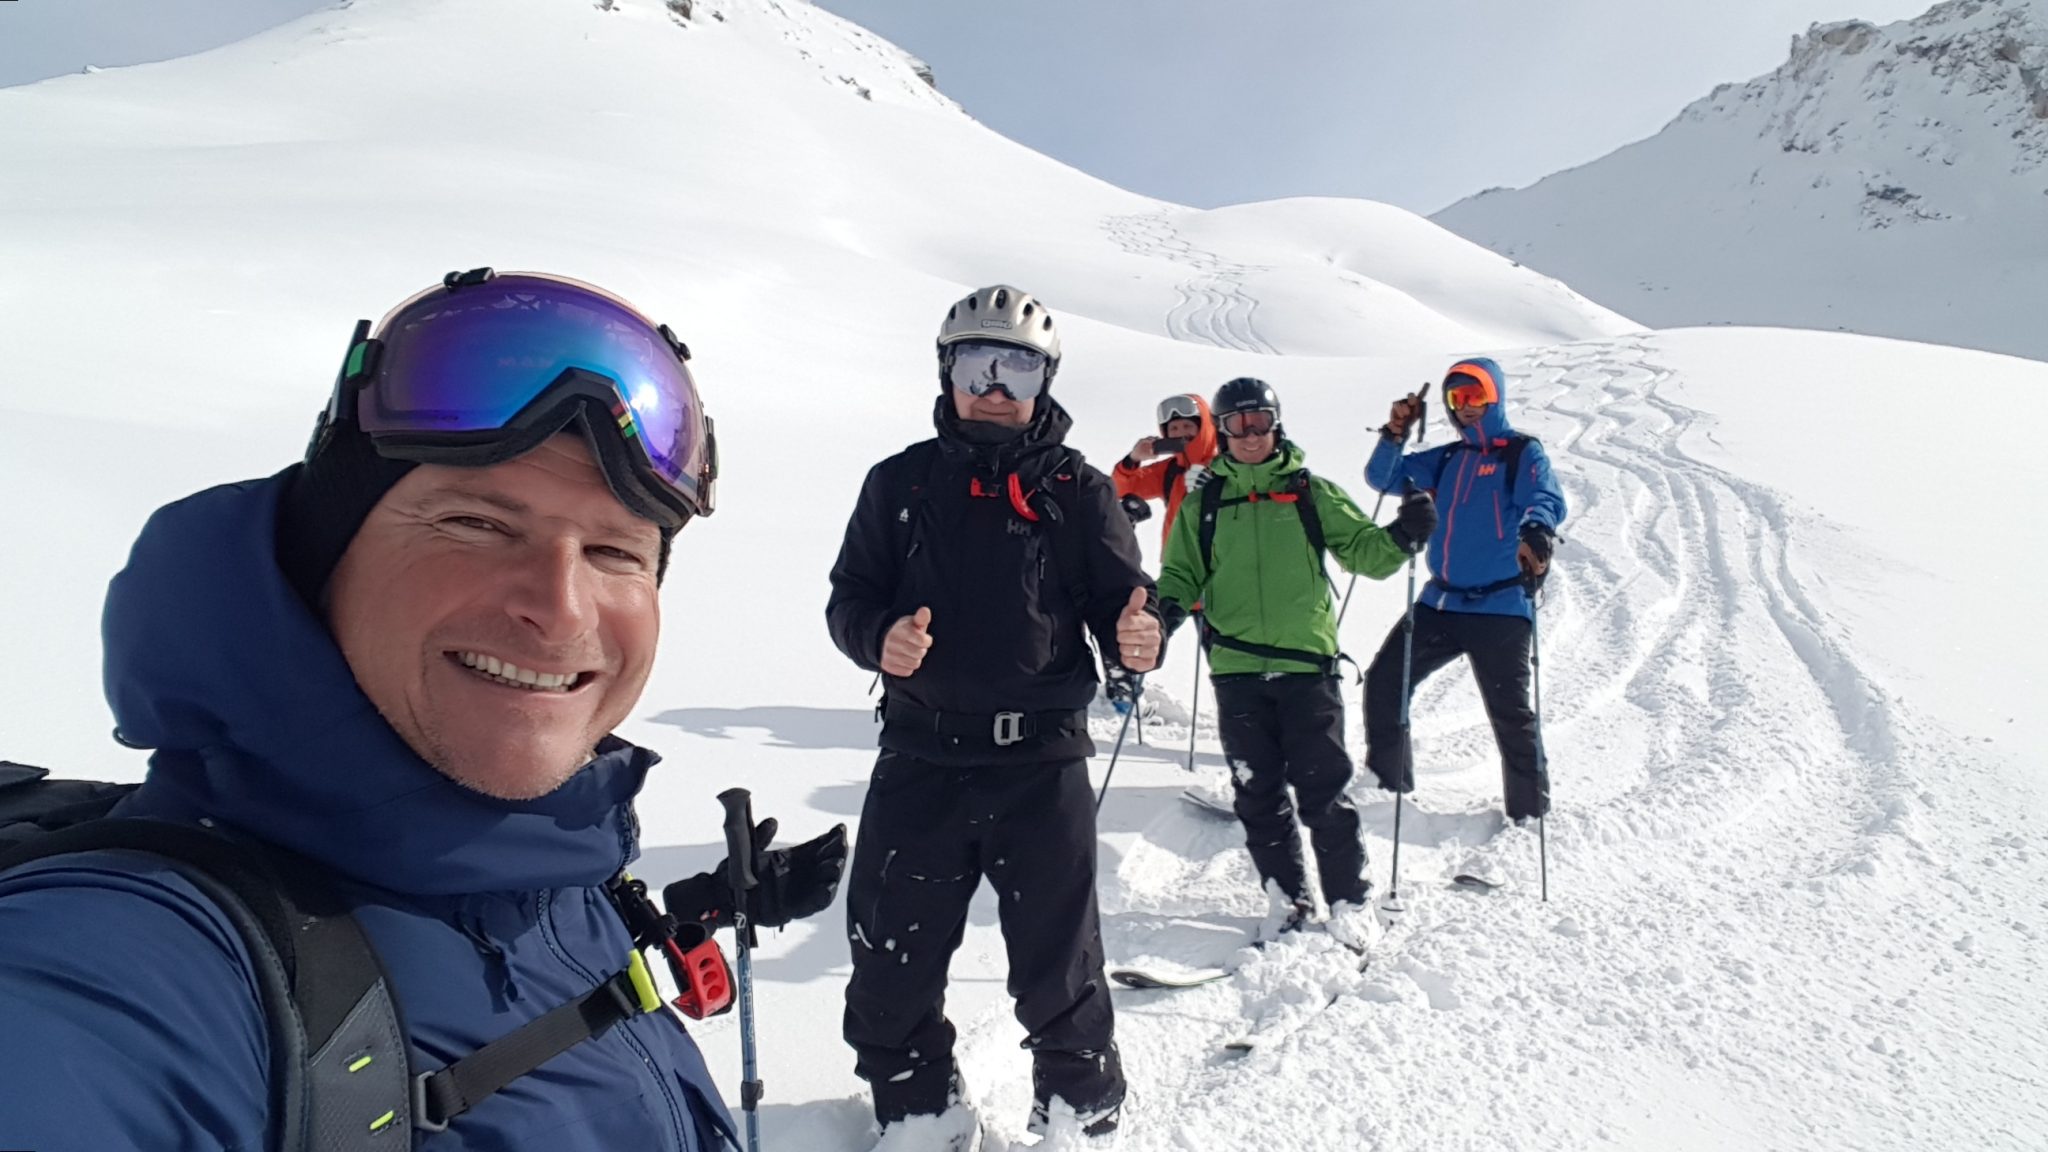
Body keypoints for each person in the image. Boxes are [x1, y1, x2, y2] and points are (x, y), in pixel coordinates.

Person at [0, 270, 847, 1152]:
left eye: (612, 550)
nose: (560, 610)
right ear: (321, 554)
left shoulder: (547, 871)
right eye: (477, 525)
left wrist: (699, 909)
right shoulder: (130, 977)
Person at [825, 284, 1162, 1144]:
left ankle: (1080, 1116)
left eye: (1019, 366)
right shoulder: (897, 483)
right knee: (890, 971)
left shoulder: (1076, 491)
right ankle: (920, 1120)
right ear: (947, 372)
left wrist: (1137, 630)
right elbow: (849, 598)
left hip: (1039, 765)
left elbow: (1123, 602)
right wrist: (878, 639)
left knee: (1061, 974)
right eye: (979, 363)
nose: (997, 386)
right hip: (920, 759)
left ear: (1045, 381)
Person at [1154, 377, 1436, 944]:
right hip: (1236, 669)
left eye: (1260, 422)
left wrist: (1404, 536)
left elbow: (1365, 554)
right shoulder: (1205, 502)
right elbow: (1182, 573)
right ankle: (1288, 900)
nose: (1250, 434)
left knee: (1323, 792)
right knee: (1257, 793)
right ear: (1223, 431)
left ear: (1275, 425)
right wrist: (1162, 613)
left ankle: (1350, 900)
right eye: (1238, 424)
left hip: (1307, 667)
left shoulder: (1311, 491)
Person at [1362, 356, 1567, 824]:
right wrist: (1394, 433)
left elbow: (1546, 498)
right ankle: (1387, 788)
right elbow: (1384, 478)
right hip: (1443, 602)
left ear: (1494, 398)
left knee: (1510, 714)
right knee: (1386, 681)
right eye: (1457, 398)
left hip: (1500, 607)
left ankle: (1530, 815)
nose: (1466, 407)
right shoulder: (1449, 458)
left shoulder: (1520, 452)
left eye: (1476, 396)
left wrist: (1537, 531)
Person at [1111, 392, 1218, 546]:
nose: (1180, 432)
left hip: (1219, 561)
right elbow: (1122, 489)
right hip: (1177, 563)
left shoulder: (1225, 466)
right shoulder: (1169, 470)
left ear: (1203, 428)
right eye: (1173, 428)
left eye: (1187, 426)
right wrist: (1133, 459)